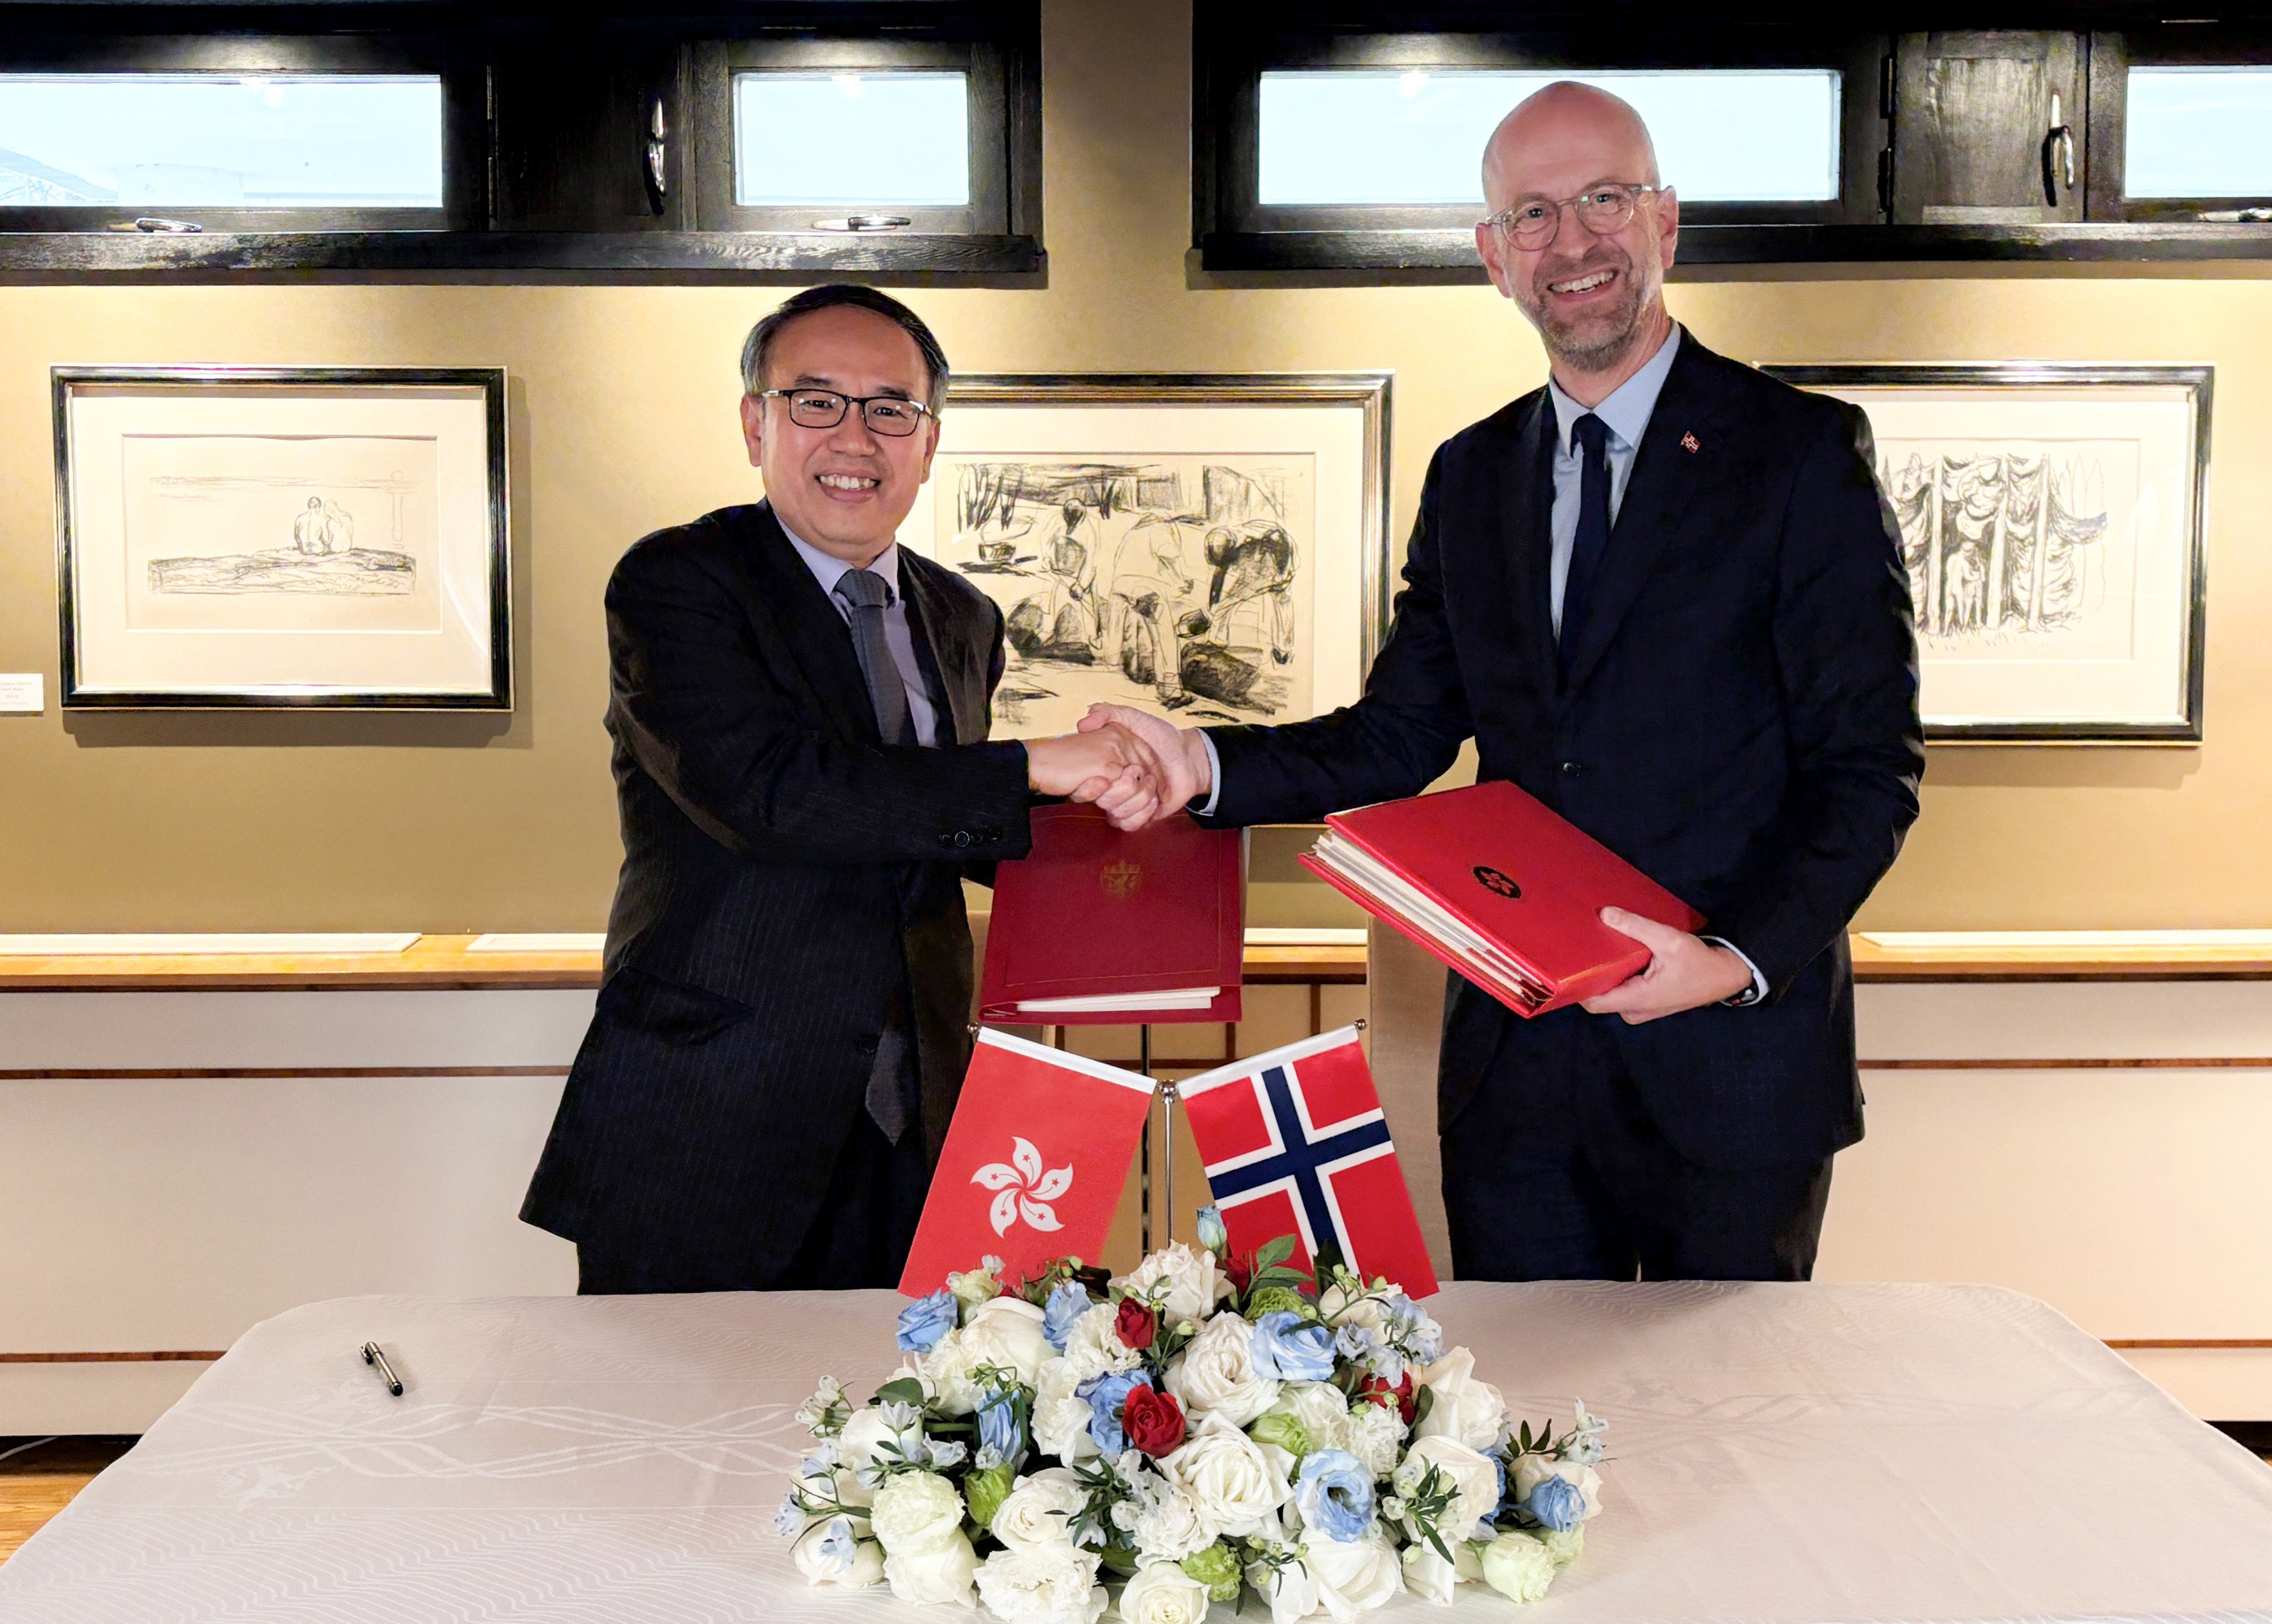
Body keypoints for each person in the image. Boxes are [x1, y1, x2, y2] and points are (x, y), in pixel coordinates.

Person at [1086, 83, 1923, 1283]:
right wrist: (1200, 762)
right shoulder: (1471, 475)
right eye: (1532, 214)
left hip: (1729, 1068)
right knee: (1520, 1401)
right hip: (1518, 1078)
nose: (1571, 242)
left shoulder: (1800, 453)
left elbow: (1868, 770)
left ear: (1664, 222)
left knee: (1724, 1405)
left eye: (1603, 200)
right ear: (1494, 256)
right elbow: (1397, 734)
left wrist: (1734, 959)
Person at [521, 284, 1165, 1293]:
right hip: (714, 1113)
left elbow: (931, 819)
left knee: (910, 1390)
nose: (855, 437)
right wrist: (1030, 769)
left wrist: (1138, 809)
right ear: (756, 424)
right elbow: (771, 797)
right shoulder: (678, 583)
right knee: (678, 1397)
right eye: (816, 402)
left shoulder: (963, 615)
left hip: (917, 1112)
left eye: (890, 408)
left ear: (929, 440)